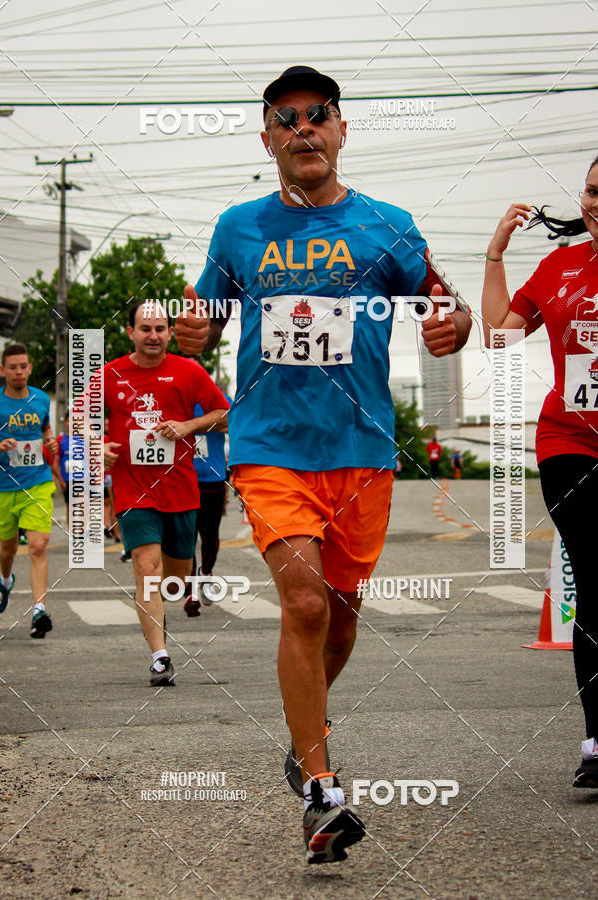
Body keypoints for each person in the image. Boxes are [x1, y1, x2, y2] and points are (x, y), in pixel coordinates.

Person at [176, 65, 472, 863]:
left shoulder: (390, 225)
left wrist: (455, 323)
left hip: (362, 455)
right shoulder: (239, 227)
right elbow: (202, 310)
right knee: (304, 605)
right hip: (270, 448)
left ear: (342, 130)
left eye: (319, 115)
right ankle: (321, 790)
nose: (304, 128)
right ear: (267, 138)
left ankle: (304, 735)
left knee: (338, 623)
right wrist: (194, 325)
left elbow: (445, 301)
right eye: (287, 118)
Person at [481, 154, 598, 789]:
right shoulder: (559, 267)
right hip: (568, 443)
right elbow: (500, 337)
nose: (596, 203)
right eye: (591, 190)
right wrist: (496, 254)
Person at [98, 302, 229, 685]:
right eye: (144, 328)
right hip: (134, 493)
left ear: (170, 332)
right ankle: (160, 656)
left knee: (173, 582)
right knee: (146, 568)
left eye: (159, 328)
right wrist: (97, 446)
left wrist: (189, 425)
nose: (152, 335)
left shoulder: (188, 371)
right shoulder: (108, 375)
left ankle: (166, 602)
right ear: (130, 333)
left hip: (181, 492)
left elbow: (225, 414)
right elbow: (83, 420)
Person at [0, 343, 58, 637]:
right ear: (2, 370)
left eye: (23, 366)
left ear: (30, 368)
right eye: (13, 367)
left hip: (37, 481)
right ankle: (6, 580)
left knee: (37, 545)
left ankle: (38, 611)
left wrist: (50, 441)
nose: (19, 371)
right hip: (3, 487)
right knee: (7, 548)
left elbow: (45, 429)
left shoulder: (41, 399)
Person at [183, 393, 231, 617]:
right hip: (183, 479)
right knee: (187, 536)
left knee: (210, 534)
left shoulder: (220, 400)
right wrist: (211, 424)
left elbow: (233, 423)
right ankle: (192, 589)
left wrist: (191, 427)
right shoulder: (180, 400)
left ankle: (207, 573)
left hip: (213, 478)